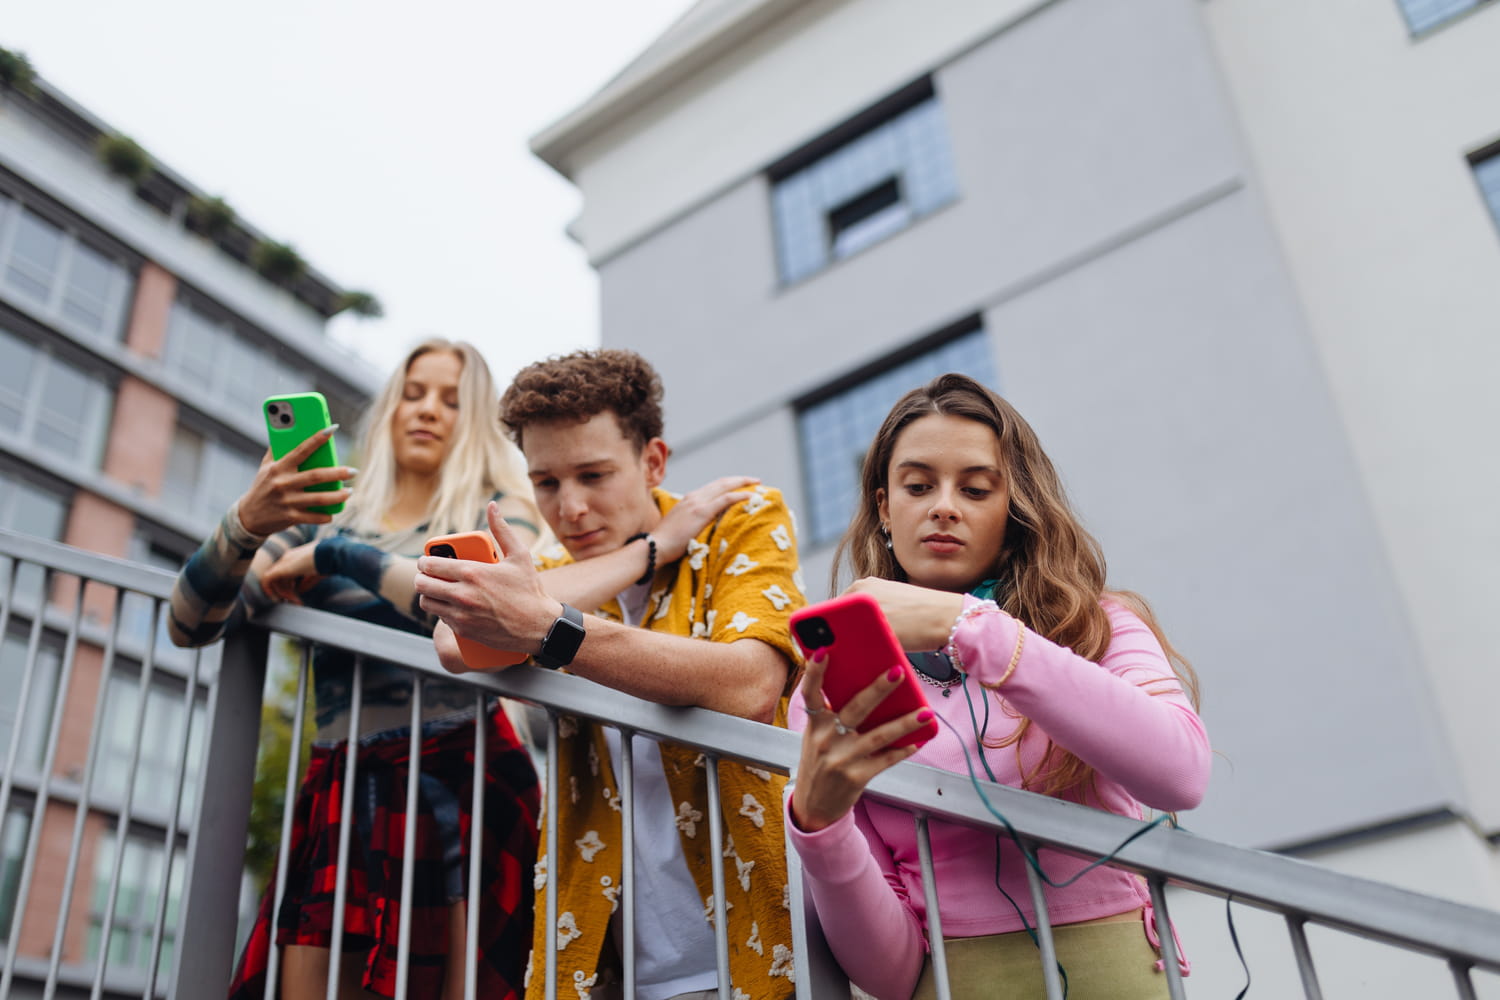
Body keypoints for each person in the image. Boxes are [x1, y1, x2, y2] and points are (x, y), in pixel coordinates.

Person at [784, 373, 1210, 1000]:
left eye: (976, 488)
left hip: (1116, 968)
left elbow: (1181, 775)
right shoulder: (830, 688)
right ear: (884, 508)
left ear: (1013, 511)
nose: (944, 506)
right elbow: (887, 976)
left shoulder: (1098, 625)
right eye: (918, 486)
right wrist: (820, 829)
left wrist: (970, 628)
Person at [414, 349, 804, 1000]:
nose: (570, 508)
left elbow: (750, 685)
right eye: (546, 483)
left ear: (653, 462)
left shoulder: (737, 517)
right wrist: (647, 552)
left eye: (593, 475)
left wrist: (552, 629)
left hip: (766, 948)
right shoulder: (554, 572)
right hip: (607, 968)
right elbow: (453, 640)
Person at [168, 339, 543, 1000]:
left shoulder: (497, 513)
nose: (427, 410)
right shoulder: (324, 516)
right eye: (413, 393)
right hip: (342, 780)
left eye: (452, 400)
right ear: (390, 407)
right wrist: (246, 522)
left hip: (463, 774)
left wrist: (338, 559)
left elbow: (480, 620)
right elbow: (191, 624)